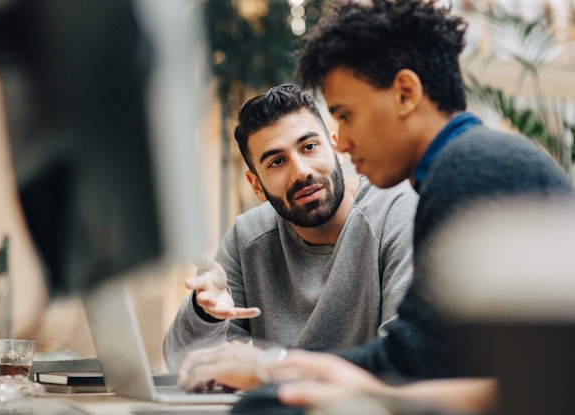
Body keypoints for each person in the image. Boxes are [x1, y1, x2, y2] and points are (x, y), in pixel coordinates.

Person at [177, 0, 574, 412]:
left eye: (346, 116)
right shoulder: (466, 163)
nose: (342, 143)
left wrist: (269, 365)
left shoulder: (470, 170)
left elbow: (412, 363)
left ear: (405, 93)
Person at [162, 84, 418, 372]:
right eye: (277, 161)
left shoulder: (397, 212)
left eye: (309, 147)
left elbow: (405, 360)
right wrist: (204, 314)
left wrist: (270, 368)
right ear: (256, 185)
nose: (302, 171)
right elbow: (180, 365)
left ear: (334, 148)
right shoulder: (248, 237)